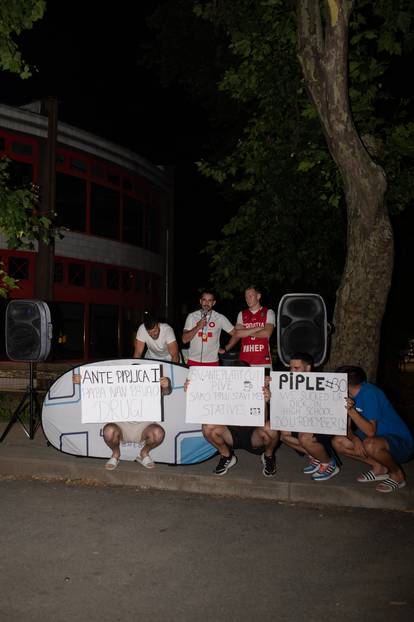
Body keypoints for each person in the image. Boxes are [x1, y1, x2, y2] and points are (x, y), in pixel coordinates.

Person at [332, 366, 414, 493]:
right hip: (374, 439)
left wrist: (351, 411)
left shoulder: (370, 393)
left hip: (400, 443)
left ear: (345, 382)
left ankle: (397, 474)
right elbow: (345, 426)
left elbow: (371, 431)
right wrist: (354, 439)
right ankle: (379, 467)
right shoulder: (347, 394)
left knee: (370, 444)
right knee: (338, 442)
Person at [199, 362, 279, 477]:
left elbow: (263, 420)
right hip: (230, 435)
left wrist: (264, 401)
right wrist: (193, 387)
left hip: (253, 435)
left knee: (271, 427)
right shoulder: (222, 387)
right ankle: (226, 456)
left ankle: (268, 456)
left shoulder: (256, 387)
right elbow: (205, 404)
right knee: (208, 426)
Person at [279, 353, 340, 481]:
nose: (292, 371)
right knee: (284, 435)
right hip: (302, 421)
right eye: (290, 368)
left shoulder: (322, 383)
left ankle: (328, 463)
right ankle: (316, 457)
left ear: (308, 368)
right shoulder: (289, 383)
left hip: (323, 424)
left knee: (305, 437)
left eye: (296, 368)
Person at [103, 376, 172, 471]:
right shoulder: (118, 385)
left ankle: (143, 453)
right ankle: (116, 454)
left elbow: (166, 392)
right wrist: (84, 382)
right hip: (120, 425)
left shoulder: (150, 385)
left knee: (158, 433)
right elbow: (99, 389)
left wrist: (166, 386)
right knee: (108, 431)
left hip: (144, 426)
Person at [225, 285, 275, 368]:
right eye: (246, 297)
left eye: (250, 296)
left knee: (265, 381)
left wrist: (244, 331)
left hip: (263, 360)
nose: (248, 299)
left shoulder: (268, 312)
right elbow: (237, 334)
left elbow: (266, 333)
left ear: (258, 296)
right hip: (244, 361)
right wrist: (256, 329)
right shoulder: (241, 314)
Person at [182, 290, 235, 366]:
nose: (206, 303)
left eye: (210, 300)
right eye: (204, 300)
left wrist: (226, 348)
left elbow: (236, 334)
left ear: (214, 303)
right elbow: (184, 340)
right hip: (193, 361)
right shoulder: (192, 316)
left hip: (212, 362)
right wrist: (198, 327)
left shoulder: (220, 318)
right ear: (200, 301)